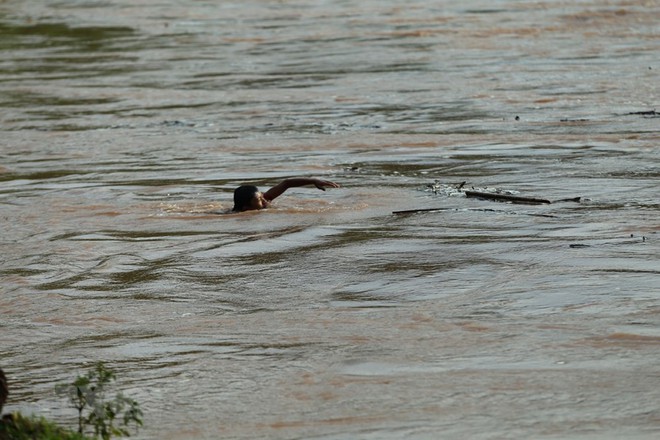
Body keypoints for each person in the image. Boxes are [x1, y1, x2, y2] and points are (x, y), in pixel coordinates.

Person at [233, 177, 340, 212]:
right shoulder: (236, 216)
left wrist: (314, 181)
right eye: (260, 200)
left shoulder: (264, 202)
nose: (265, 200)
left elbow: (286, 183)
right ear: (246, 207)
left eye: (262, 197)